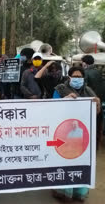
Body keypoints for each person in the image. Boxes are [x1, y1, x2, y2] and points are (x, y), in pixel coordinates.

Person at [52, 66, 101, 202]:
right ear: (69, 77)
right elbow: (52, 107)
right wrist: (65, 100)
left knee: (81, 161)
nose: (78, 79)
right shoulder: (60, 89)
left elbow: (95, 113)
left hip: (82, 134)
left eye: (80, 77)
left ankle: (79, 192)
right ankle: (62, 191)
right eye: (75, 76)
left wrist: (97, 104)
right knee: (65, 161)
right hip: (63, 132)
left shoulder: (88, 90)